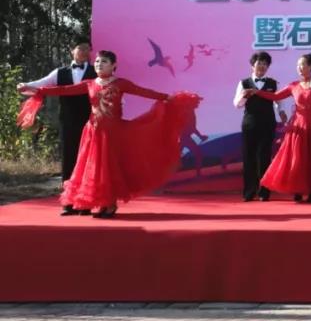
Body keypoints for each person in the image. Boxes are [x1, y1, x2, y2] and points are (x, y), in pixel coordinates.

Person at [17, 50, 200, 217]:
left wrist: (167, 98)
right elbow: (64, 90)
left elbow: (143, 92)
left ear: (113, 65)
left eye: (104, 62)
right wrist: (37, 90)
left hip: (113, 132)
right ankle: (98, 203)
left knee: (109, 168)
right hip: (93, 131)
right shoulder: (89, 84)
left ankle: (110, 204)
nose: (99, 64)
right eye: (97, 62)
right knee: (93, 168)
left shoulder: (121, 83)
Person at [17, 38, 95, 214]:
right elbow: (41, 83)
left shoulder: (95, 72)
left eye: (87, 49)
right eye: (81, 48)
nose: (85, 52)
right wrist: (25, 86)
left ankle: (85, 203)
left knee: (87, 160)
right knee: (68, 160)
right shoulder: (60, 73)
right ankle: (68, 203)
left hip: (90, 122)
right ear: (71, 50)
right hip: (67, 122)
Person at [246, 53, 311, 203]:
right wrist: (257, 92)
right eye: (298, 65)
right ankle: (297, 190)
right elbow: (276, 96)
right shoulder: (294, 85)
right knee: (297, 160)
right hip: (298, 128)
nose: (299, 68)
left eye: (302, 64)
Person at [233, 51, 288, 202]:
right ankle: (249, 192)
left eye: (265, 64)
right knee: (249, 157)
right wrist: (244, 96)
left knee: (264, 157)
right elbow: (237, 104)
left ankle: (264, 192)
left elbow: (279, 102)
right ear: (252, 66)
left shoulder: (273, 83)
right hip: (249, 124)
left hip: (267, 124)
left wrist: (282, 113)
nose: (262, 66)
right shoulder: (244, 83)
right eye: (259, 63)